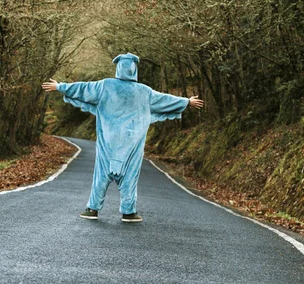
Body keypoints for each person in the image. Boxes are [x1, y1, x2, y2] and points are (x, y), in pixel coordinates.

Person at [42, 53, 204, 223]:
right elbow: (164, 100)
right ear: (135, 69)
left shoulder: (105, 85)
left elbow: (83, 89)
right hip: (132, 143)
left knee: (101, 174)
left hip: (108, 140)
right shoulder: (144, 91)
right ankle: (128, 211)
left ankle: (92, 209)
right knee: (130, 176)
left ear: (118, 67)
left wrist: (60, 86)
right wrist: (186, 101)